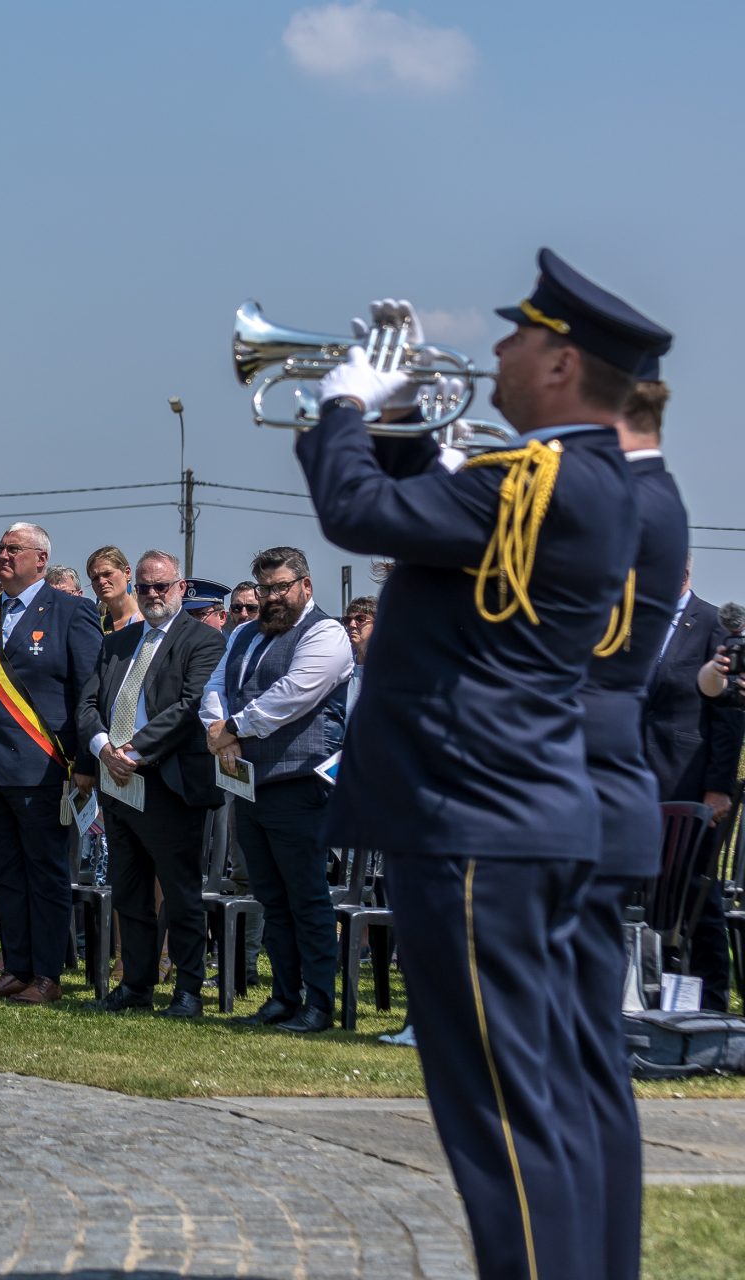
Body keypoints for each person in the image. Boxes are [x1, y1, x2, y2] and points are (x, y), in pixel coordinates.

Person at [295, 261, 665, 1280]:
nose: (494, 350)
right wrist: (404, 418)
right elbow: (428, 516)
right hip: (514, 816)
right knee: (536, 1108)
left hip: (472, 819)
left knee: (500, 1125)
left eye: (516, 337)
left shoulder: (542, 481)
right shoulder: (570, 480)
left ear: (560, 361)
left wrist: (341, 405)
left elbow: (360, 515)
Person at [562, 356, 695, 1279]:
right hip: (581, 798)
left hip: (583, 800)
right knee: (573, 1060)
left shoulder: (632, 502)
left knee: (573, 1061)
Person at [201, 547, 352, 1032]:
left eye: (281, 587)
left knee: (306, 898)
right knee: (271, 897)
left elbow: (293, 693)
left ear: (306, 586)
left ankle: (319, 1003)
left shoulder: (326, 634)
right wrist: (216, 728)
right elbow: (215, 686)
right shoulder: (244, 632)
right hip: (250, 783)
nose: (271, 597)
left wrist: (234, 729)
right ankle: (284, 996)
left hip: (300, 783)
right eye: (265, 588)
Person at [0, 523, 104, 1005]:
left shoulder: (71, 611)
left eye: (13, 549)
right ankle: (16, 968)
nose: (3, 555)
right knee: (7, 872)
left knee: (44, 871)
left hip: (41, 766)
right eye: (0, 547)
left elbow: (88, 691)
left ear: (40, 560)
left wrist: (86, 760)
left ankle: (47, 974)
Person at [78, 550, 226, 1017]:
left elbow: (188, 708)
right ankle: (135, 985)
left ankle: (187, 989)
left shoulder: (202, 641)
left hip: (168, 783)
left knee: (179, 893)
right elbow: (87, 706)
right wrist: (104, 747)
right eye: (145, 587)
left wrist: (134, 752)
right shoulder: (117, 642)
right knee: (129, 890)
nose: (154, 594)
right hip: (118, 782)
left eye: (162, 586)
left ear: (181, 588)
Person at [656, 562, 745, 1009]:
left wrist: (719, 787)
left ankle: (709, 1002)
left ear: (684, 570)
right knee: (643, 892)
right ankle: (652, 995)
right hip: (633, 781)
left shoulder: (714, 623)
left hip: (689, 780)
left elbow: (729, 713)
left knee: (695, 892)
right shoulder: (631, 623)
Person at [86, 545, 140, 633]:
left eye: (107, 574)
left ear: (127, 572)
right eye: (95, 578)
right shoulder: (95, 628)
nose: (101, 582)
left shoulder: (150, 620)